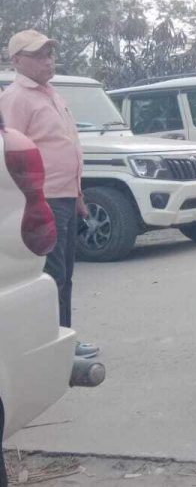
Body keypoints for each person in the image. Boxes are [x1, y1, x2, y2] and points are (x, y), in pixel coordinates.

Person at [0, 30, 97, 358]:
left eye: (50, 54)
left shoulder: (51, 94)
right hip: (42, 201)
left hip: (64, 197)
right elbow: (11, 154)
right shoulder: (16, 98)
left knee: (65, 275)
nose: (48, 61)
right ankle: (51, 347)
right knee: (51, 276)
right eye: (39, 55)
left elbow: (67, 145)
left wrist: (78, 195)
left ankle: (64, 339)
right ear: (17, 61)